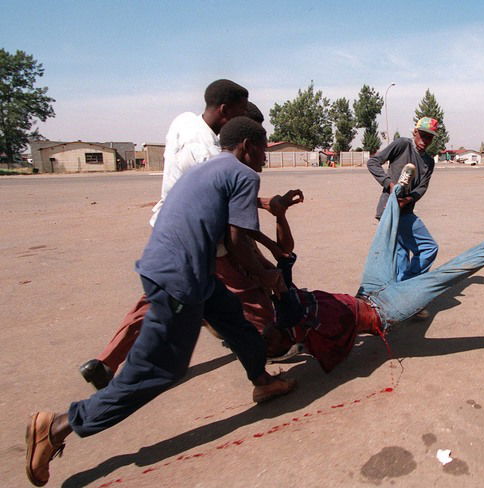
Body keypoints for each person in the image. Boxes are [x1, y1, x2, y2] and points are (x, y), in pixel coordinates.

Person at [25, 117, 297, 487]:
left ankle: (262, 379)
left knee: (232, 318)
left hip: (179, 268)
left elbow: (237, 232)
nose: (265, 157)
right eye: (264, 148)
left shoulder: (212, 167)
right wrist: (269, 278)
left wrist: (270, 251)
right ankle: (58, 426)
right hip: (180, 280)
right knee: (156, 371)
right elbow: (236, 242)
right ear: (248, 145)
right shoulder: (244, 174)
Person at [78, 85, 296, 389]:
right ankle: (272, 345)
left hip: (167, 227)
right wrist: (266, 262)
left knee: (156, 299)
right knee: (251, 297)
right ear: (225, 112)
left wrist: (262, 205)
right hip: (198, 237)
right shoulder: (207, 151)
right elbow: (229, 219)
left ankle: (106, 361)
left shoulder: (184, 122)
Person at [265, 175, 484, 373]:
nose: (272, 333)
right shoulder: (314, 343)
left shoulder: (285, 311)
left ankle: (397, 192)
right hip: (387, 310)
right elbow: (324, 351)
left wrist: (280, 216)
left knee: (382, 237)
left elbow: (284, 259)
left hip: (368, 289)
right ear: (286, 345)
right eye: (273, 341)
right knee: (449, 273)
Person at [367, 117, 440, 287]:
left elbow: (422, 187)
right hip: (390, 209)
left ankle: (399, 289)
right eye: (422, 135)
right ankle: (406, 287)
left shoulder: (428, 161)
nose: (425, 140)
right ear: (415, 132)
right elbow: (373, 162)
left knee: (401, 255)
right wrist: (390, 184)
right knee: (428, 248)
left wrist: (409, 199)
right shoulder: (402, 145)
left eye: (429, 137)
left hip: (405, 209)